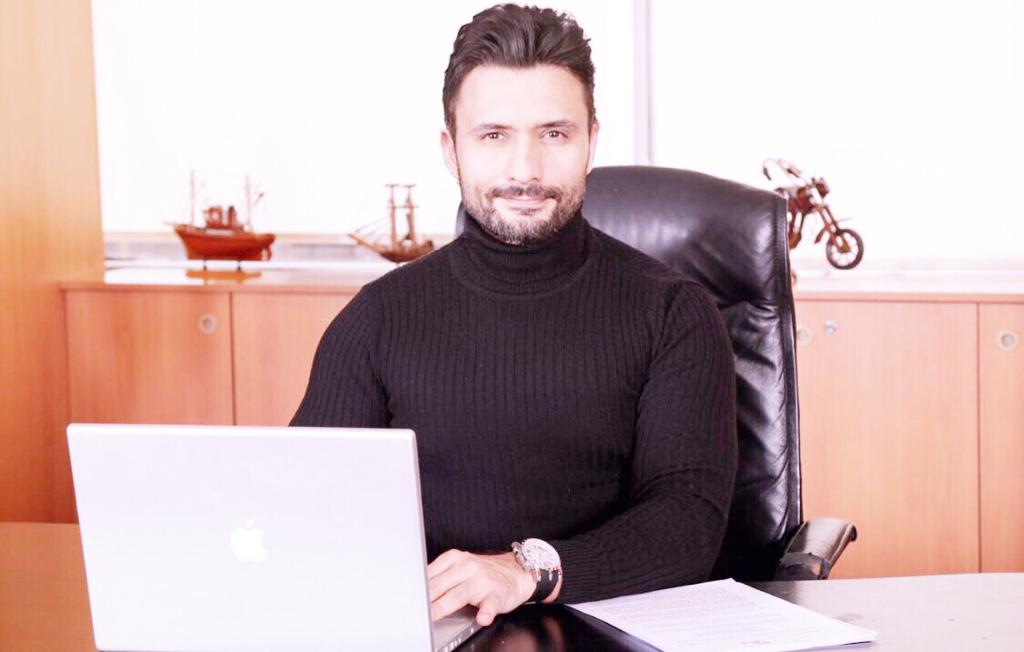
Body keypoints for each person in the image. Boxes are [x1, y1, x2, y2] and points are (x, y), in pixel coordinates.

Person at [291, 3, 737, 628]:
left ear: (591, 141)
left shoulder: (673, 313)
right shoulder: (375, 320)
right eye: (493, 135)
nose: (525, 171)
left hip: (605, 631)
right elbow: (305, 511)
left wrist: (526, 571)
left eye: (554, 134)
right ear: (451, 150)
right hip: (436, 631)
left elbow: (688, 522)